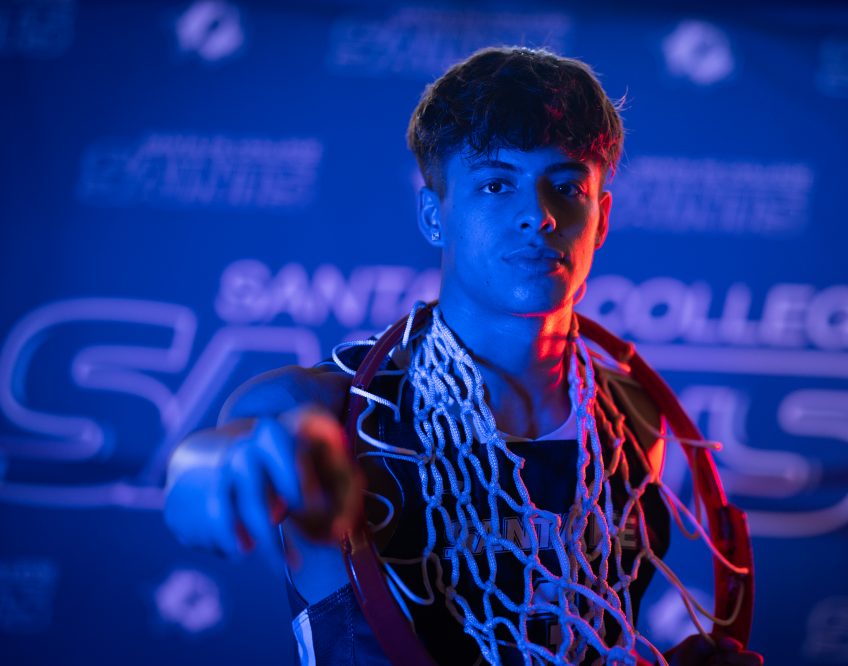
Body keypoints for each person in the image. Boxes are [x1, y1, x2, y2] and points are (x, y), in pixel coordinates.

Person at [164, 46, 763, 666]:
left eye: (566, 186)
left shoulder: (628, 417)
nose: (538, 215)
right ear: (434, 215)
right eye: (496, 184)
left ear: (601, 217)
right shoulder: (335, 408)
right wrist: (217, 471)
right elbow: (211, 465)